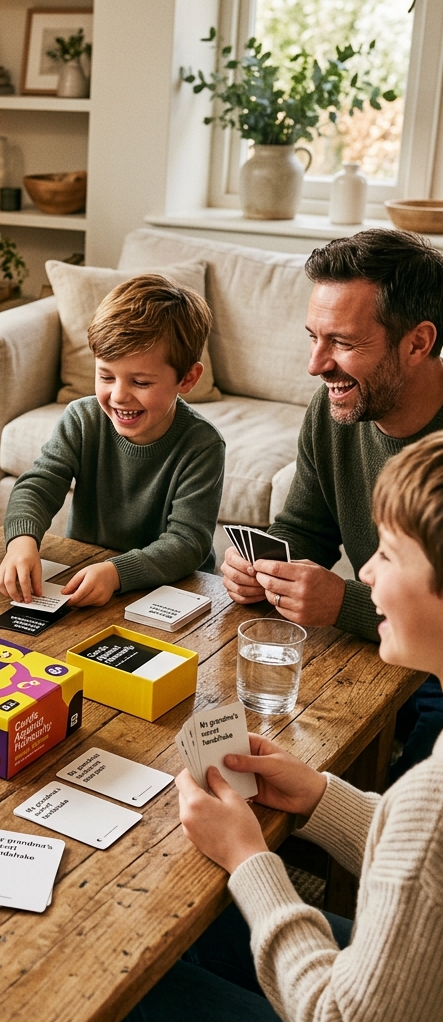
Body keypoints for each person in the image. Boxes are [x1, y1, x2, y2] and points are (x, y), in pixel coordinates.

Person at [127, 431, 443, 1022]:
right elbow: (431, 866)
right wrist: (323, 797)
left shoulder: (431, 798)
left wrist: (248, 856)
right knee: (208, 922)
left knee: (131, 989)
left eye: (391, 554)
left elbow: (337, 1016)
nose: (366, 571)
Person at [220, 228, 443, 777]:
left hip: (434, 669)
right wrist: (262, 566)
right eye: (313, 338)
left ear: (417, 343)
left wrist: (343, 603)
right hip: (384, 646)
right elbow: (304, 527)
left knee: (403, 814)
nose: (316, 365)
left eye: (342, 343)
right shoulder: (334, 411)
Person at [0, 274, 225, 607]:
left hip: (173, 592)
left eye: (141, 382)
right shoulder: (82, 419)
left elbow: (186, 544)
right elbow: (37, 486)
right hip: (89, 578)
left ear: (188, 378)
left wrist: (117, 573)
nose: (119, 396)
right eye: (105, 376)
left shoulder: (202, 445)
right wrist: (21, 542)